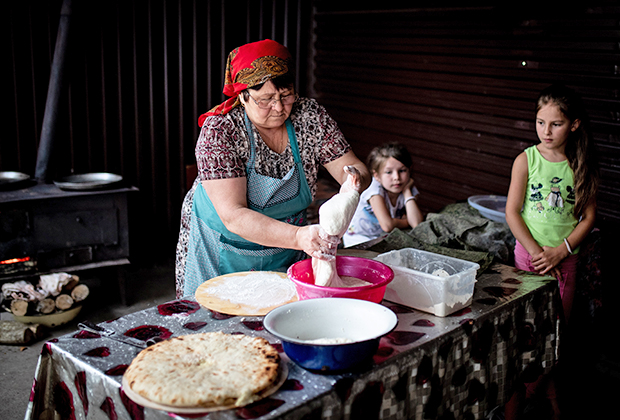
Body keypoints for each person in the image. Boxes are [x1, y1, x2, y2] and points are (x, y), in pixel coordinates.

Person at [175, 39, 371, 298]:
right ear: (243, 97)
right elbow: (233, 215)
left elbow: (355, 167)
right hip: (223, 248)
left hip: (288, 245)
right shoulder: (221, 131)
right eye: (265, 99)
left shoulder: (309, 117)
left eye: (286, 95)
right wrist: (299, 237)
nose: (279, 108)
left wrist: (353, 184)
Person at [505, 83, 599, 324]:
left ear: (574, 125)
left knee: (556, 322)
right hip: (528, 255)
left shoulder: (580, 165)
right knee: (524, 320)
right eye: (540, 122)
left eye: (556, 124)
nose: (546, 131)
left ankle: (552, 363)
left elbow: (588, 218)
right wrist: (538, 254)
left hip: (565, 259)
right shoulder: (526, 160)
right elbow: (512, 212)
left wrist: (560, 252)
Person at [343, 142, 423, 247]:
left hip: (382, 238)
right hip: (359, 238)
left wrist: (407, 191)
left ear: (410, 170)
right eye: (389, 172)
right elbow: (387, 225)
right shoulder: (374, 189)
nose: (396, 177)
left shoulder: (407, 188)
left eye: (402, 170)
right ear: (377, 176)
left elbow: (417, 223)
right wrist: (406, 221)